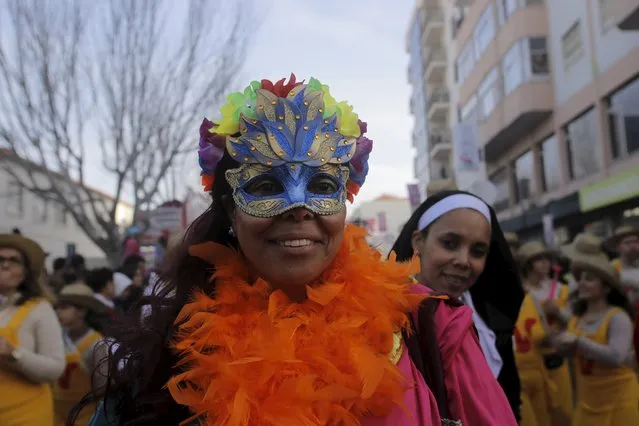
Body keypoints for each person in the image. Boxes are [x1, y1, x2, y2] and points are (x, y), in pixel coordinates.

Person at [83, 74, 443, 425]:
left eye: (321, 184)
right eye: (267, 185)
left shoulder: (414, 328)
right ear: (229, 210)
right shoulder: (161, 362)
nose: (298, 206)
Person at [391, 190, 523, 425]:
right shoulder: (386, 317)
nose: (464, 260)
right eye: (449, 244)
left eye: (478, 251)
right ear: (418, 241)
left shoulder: (492, 322)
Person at [552, 233, 639, 425]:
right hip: (588, 404)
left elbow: (616, 357)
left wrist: (578, 341)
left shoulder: (617, 317)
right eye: (580, 278)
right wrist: (560, 346)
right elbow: (573, 355)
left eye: (589, 279)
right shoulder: (577, 318)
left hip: (620, 403)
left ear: (606, 288)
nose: (581, 283)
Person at [0, 233, 66, 425]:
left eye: (14, 260)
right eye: (0, 259)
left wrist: (15, 355)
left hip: (24, 415)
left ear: (25, 272)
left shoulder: (39, 309)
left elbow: (55, 368)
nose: (5, 265)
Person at [515, 241, 573, 426]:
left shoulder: (561, 288)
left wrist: (557, 312)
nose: (545, 263)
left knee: (564, 410)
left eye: (547, 258)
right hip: (531, 362)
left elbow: (572, 322)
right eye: (539, 259)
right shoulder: (518, 292)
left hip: (557, 358)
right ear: (527, 264)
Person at [54, 283, 109, 426]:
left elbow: (102, 388)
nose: (58, 312)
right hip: (56, 415)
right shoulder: (56, 338)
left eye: (64, 308)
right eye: (57, 308)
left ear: (82, 311)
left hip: (84, 417)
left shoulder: (96, 344)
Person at [605, 226, 639, 301]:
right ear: (618, 247)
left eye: (636, 241)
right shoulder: (612, 268)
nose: (633, 245)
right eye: (627, 242)